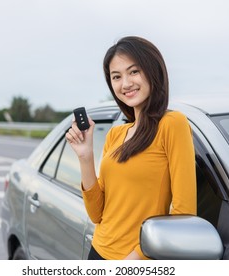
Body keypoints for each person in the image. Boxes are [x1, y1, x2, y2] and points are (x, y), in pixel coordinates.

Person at [66, 36, 196, 260]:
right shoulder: (116, 134)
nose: (125, 84)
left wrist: (134, 261)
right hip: (98, 251)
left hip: (136, 260)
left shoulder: (173, 124)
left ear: (153, 71)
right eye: (116, 77)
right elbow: (97, 214)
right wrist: (86, 157)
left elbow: (184, 213)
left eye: (133, 72)